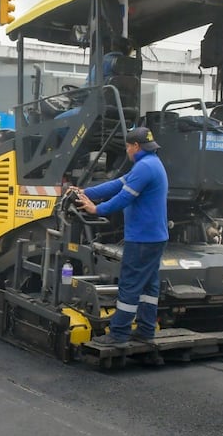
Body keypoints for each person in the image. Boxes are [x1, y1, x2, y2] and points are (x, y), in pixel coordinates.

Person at [70, 126, 169, 345]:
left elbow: (123, 197)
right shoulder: (151, 164)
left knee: (130, 284)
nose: (126, 150)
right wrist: (84, 192)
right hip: (155, 237)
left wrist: (96, 209)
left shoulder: (144, 167)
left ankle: (119, 333)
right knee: (149, 286)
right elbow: (116, 185)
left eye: (127, 146)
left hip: (142, 238)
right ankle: (145, 330)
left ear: (135, 146)